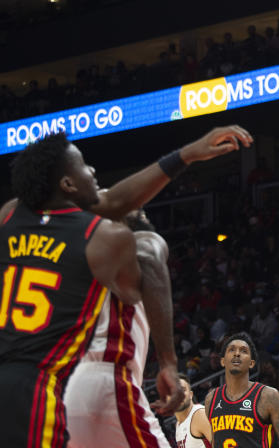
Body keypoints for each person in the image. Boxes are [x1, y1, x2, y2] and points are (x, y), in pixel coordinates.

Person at [0, 126, 251, 448]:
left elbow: (113, 200)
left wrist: (186, 154)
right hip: (38, 386)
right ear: (67, 184)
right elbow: (135, 283)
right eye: (84, 166)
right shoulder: (102, 238)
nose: (93, 171)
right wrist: (169, 362)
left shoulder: (9, 215)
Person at [64, 210, 180, 448]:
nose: (143, 212)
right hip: (106, 379)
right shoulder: (135, 243)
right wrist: (168, 362)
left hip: (65, 386)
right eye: (135, 208)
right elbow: (151, 254)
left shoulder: (75, 259)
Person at [205, 332, 279, 448]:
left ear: (251, 363)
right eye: (231, 350)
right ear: (223, 361)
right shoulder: (211, 398)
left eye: (243, 351)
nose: (237, 354)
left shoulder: (268, 395)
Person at [173, 374, 215, 448]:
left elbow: (223, 443)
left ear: (191, 395)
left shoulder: (199, 415)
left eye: (182, 390)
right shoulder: (178, 423)